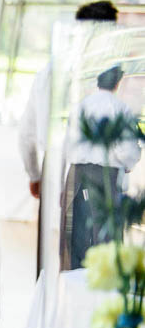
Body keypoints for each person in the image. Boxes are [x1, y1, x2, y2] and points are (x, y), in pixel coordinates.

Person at [18, 1, 118, 274]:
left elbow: (25, 132)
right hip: (80, 168)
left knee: (62, 263)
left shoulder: (49, 70)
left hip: (57, 166)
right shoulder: (104, 74)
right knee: (97, 260)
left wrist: (35, 174)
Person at [59, 65, 141, 270]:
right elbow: (127, 149)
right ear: (117, 83)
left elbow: (67, 144)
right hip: (105, 174)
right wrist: (129, 164)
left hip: (76, 172)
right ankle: (103, 280)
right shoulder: (120, 108)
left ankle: (72, 275)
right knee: (105, 232)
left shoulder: (80, 106)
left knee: (75, 229)